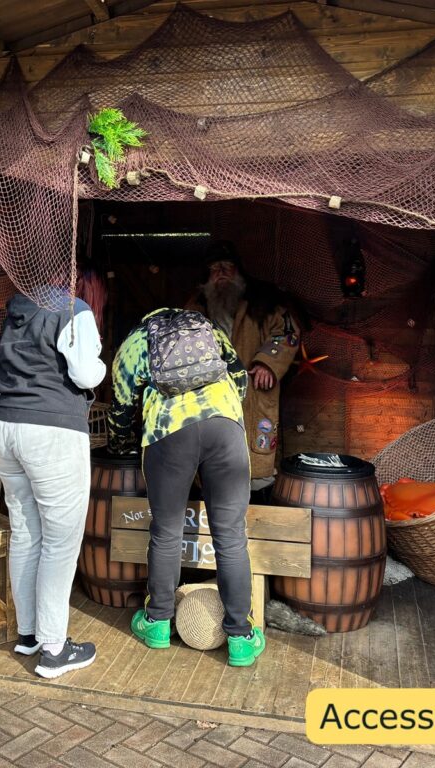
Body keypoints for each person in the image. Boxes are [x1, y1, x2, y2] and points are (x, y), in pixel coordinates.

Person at [107, 308, 266, 667]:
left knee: (166, 531)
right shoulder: (208, 328)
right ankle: (241, 638)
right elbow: (240, 378)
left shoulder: (135, 342)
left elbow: (121, 408)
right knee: (231, 535)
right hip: (224, 428)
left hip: (168, 432)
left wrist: (119, 445)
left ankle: (157, 623)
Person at [0, 287, 106, 679]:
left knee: (25, 534)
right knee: (60, 542)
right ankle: (55, 649)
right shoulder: (73, 310)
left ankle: (29, 634)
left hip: (6, 428)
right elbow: (85, 373)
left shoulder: (13, 313)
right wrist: (100, 365)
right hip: (53, 430)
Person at [187, 241, 300, 497]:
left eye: (227, 266)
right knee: (208, 462)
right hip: (209, 395)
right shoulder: (195, 307)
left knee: (254, 463)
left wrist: (267, 363)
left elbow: (288, 332)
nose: (221, 272)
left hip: (252, 393)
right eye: (214, 268)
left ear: (239, 272)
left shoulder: (264, 302)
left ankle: (256, 504)